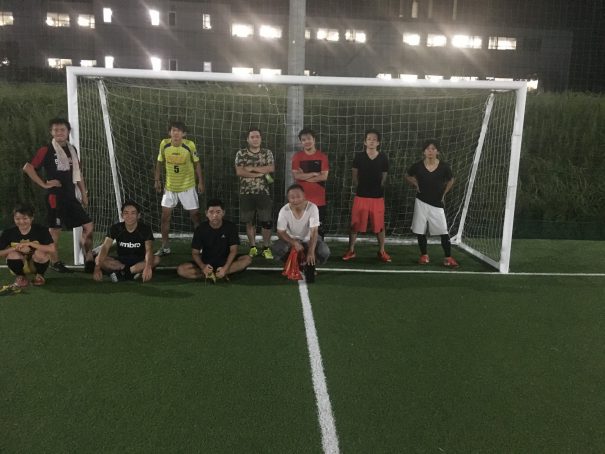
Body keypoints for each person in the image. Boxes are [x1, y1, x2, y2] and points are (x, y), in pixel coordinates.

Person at [23, 118, 95, 273]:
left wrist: (84, 193)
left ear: (68, 132)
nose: (59, 132)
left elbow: (78, 174)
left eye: (62, 129)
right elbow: (28, 167)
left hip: (70, 196)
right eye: (56, 130)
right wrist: (44, 184)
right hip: (55, 197)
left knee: (88, 226)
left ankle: (89, 258)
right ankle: (55, 262)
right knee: (55, 231)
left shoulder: (72, 150)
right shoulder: (46, 149)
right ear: (51, 132)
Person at [154, 120, 205, 256]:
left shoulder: (190, 145)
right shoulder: (164, 144)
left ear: (184, 134)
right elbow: (159, 162)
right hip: (170, 188)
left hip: (187, 187)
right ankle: (165, 246)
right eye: (173, 130)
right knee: (165, 217)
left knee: (195, 217)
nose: (176, 133)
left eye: (179, 131)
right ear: (169, 132)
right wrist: (157, 180)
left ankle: (201, 245)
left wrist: (200, 182)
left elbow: (197, 164)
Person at [406, 140, 459, 267]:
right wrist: (415, 184)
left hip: (437, 203)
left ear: (437, 152)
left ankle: (448, 258)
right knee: (420, 230)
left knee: (443, 231)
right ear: (424, 152)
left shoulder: (444, 167)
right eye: (428, 149)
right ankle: (424, 255)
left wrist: (444, 193)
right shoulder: (417, 166)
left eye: (433, 149)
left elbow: (451, 179)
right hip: (421, 201)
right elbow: (407, 175)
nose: (430, 151)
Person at [342, 129, 391, 262]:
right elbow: (354, 175)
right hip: (361, 196)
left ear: (378, 143)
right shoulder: (359, 157)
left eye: (374, 139)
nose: (371, 141)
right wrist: (360, 186)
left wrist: (378, 187)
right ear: (365, 142)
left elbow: (384, 176)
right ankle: (351, 250)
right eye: (369, 139)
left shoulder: (383, 157)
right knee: (355, 224)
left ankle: (382, 251)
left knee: (379, 225)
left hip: (377, 197)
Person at [177, 199, 252, 280]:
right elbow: (195, 253)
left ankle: (223, 273)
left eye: (218, 212)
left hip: (226, 261)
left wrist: (225, 268)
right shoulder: (200, 229)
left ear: (223, 213)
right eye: (211, 212)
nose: (214, 215)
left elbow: (233, 250)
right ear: (206, 213)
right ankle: (211, 275)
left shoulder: (231, 227)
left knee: (247, 259)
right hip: (207, 263)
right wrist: (203, 267)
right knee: (182, 270)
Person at [271, 184, 330, 281]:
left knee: (324, 251)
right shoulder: (284, 210)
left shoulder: (312, 208)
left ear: (304, 196)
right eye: (292, 197)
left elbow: (314, 231)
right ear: (288, 198)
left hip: (308, 239)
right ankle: (293, 263)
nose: (295, 200)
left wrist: (311, 251)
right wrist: (293, 242)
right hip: (291, 240)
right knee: (277, 248)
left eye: (298, 196)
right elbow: (280, 232)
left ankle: (309, 264)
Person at [92, 201, 160, 282]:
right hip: (120, 262)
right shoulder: (115, 228)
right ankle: (131, 273)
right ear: (122, 215)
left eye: (133, 213)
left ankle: (123, 274)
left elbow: (149, 250)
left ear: (138, 215)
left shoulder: (145, 229)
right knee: (98, 259)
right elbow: (105, 247)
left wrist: (148, 266)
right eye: (126, 213)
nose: (129, 216)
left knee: (156, 259)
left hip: (139, 261)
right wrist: (97, 267)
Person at [234, 127, 274, 259]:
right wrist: (259, 173)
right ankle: (253, 247)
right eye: (252, 137)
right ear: (247, 139)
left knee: (266, 221)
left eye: (257, 136)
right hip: (246, 192)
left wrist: (250, 168)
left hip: (263, 192)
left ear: (261, 138)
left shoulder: (267, 153)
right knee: (249, 221)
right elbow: (239, 171)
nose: (255, 139)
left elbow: (270, 168)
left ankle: (266, 248)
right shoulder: (241, 153)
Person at [0, 204, 55, 287]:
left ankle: (39, 275)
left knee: (40, 253)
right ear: (13, 218)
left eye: (25, 218)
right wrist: (16, 248)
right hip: (19, 263)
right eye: (17, 219)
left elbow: (52, 249)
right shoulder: (8, 232)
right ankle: (20, 276)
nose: (21, 222)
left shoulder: (41, 230)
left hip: (35, 263)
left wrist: (30, 244)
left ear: (32, 218)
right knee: (12, 254)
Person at [292, 128, 329, 239]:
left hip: (318, 199)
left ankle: (318, 248)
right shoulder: (297, 157)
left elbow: (324, 177)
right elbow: (296, 176)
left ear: (314, 139)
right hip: (301, 199)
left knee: (318, 228)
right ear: (301, 142)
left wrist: (304, 176)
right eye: (303, 140)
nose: (306, 141)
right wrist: (313, 174)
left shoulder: (322, 157)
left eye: (309, 139)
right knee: (300, 228)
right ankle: (301, 249)